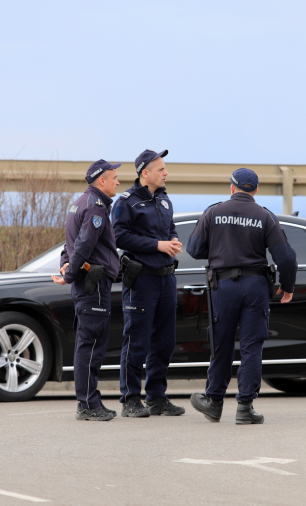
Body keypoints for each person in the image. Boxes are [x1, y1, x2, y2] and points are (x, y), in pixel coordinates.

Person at [186, 168, 297, 425]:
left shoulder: (213, 212)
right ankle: (245, 408)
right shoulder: (264, 216)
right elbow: (286, 257)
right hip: (255, 286)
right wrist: (288, 286)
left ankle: (213, 402)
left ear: (232, 187)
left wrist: (221, 249)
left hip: (222, 287)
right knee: (251, 348)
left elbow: (193, 249)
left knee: (221, 345)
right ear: (255, 190)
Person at [112, 149, 185, 418]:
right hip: (141, 280)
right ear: (146, 173)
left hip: (166, 280)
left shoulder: (165, 200)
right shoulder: (126, 202)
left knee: (164, 342)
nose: (166, 173)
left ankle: (157, 398)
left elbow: (171, 229)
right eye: (161, 169)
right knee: (136, 342)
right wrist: (157, 245)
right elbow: (119, 237)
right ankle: (130, 399)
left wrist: (173, 241)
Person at [52, 159, 121, 421]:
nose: (117, 182)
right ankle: (88, 404)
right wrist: (69, 274)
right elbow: (81, 245)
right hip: (93, 285)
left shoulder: (79, 203)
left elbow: (67, 246)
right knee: (91, 346)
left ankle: (90, 402)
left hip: (87, 284)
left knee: (88, 344)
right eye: (114, 177)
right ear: (101, 180)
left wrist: (65, 268)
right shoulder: (96, 207)